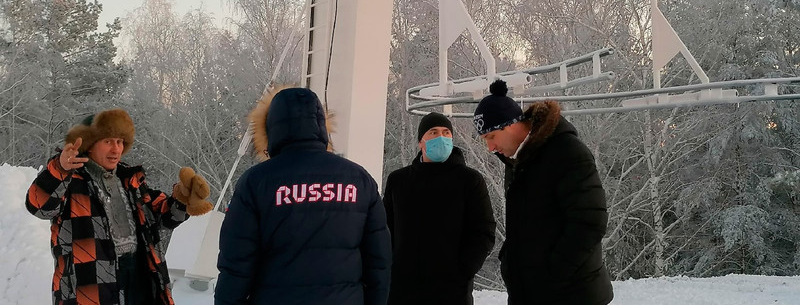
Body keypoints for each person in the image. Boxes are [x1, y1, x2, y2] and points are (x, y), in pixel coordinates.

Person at [215, 86, 392, 305]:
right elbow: (379, 262)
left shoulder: (256, 182)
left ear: (269, 129)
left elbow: (236, 265)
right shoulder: (359, 179)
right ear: (321, 126)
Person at [26, 108, 212, 305]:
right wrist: (60, 169)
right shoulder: (70, 181)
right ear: (89, 144)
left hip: (138, 275)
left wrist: (182, 198)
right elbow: (38, 206)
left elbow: (161, 216)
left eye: (120, 142)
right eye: (107, 142)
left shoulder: (130, 179)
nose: (116, 149)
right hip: (89, 284)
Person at [473, 80, 613, 305]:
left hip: (570, 294)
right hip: (533, 292)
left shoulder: (567, 152)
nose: (490, 148)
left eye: (491, 137)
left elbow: (590, 222)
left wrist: (552, 275)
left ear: (510, 124)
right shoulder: (517, 161)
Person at [382, 112, 496, 305]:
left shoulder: (470, 181)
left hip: (451, 292)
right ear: (421, 142)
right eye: (433, 132)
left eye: (446, 133)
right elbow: (385, 229)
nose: (441, 137)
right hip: (402, 290)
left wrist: (463, 270)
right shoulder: (399, 180)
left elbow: (483, 231)